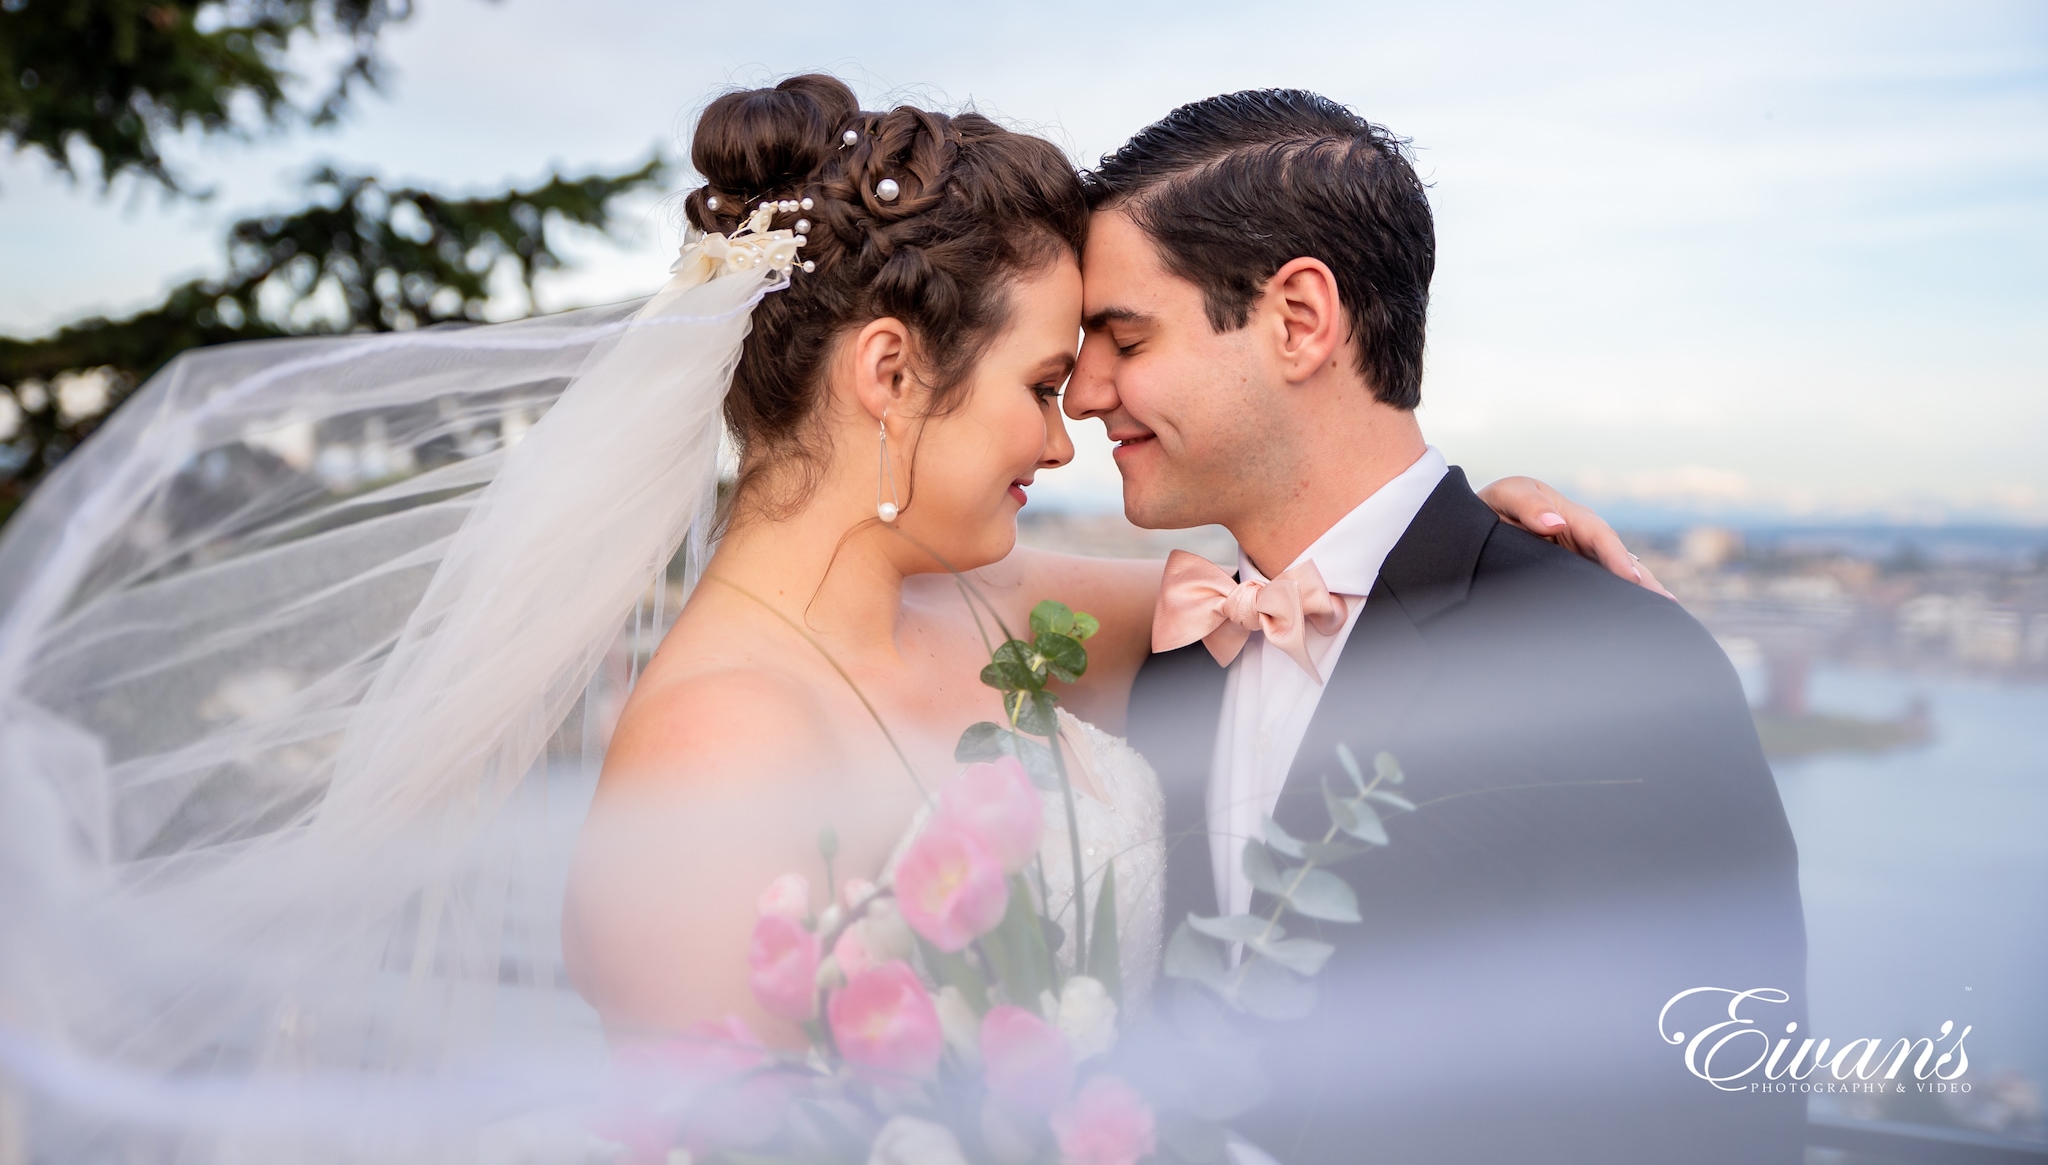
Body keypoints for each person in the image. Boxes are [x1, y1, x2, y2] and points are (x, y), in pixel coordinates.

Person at [0, 71, 1655, 1161]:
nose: (1067, 423)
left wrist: (1496, 543)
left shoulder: (1004, 603)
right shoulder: (715, 752)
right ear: (886, 376)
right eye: (1033, 377)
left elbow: (1302, 603)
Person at [1068, 88, 1809, 1165]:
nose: (1084, 391)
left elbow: (1719, 1102)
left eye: (1123, 336)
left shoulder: (1607, 659)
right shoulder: (1183, 650)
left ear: (1297, 320)